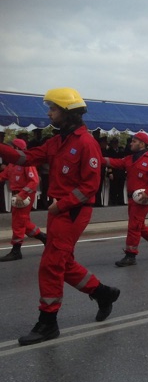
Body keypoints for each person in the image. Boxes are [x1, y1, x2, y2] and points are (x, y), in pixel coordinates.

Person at [0, 87, 120, 345]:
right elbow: (26, 157)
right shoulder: (58, 141)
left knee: (50, 264)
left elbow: (90, 185)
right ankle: (103, 293)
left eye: (53, 108)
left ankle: (48, 322)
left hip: (73, 211)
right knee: (63, 264)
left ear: (67, 113)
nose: (49, 112)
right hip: (60, 211)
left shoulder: (86, 143)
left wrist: (60, 205)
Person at [103, 131, 148, 266]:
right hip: (133, 199)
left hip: (144, 199)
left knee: (134, 225)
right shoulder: (129, 159)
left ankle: (130, 255)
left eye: (134, 141)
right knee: (139, 225)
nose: (131, 143)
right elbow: (114, 162)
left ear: (142, 143)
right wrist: (97, 158)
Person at [0, 138, 47, 261]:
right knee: (23, 223)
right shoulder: (11, 164)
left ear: (16, 149)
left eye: (11, 148)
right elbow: (3, 176)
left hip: (24, 195)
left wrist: (22, 194)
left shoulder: (27, 163)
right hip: (18, 195)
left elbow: (34, 181)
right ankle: (45, 238)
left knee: (18, 222)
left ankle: (16, 251)